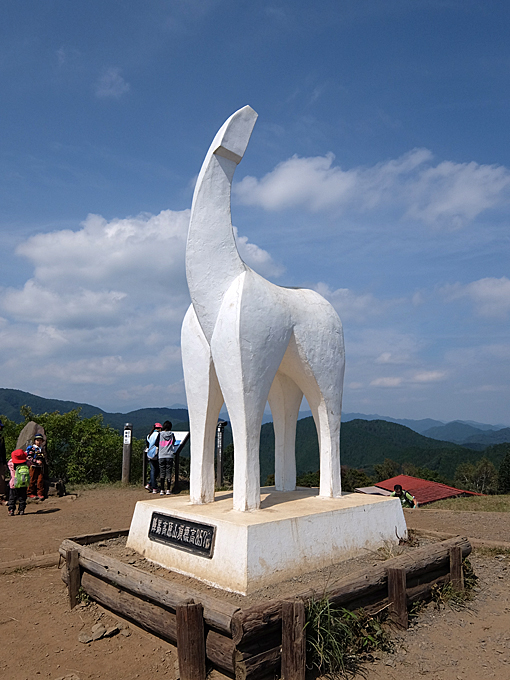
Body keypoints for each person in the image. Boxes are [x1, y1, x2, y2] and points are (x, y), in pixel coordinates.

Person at [7, 448, 30, 516]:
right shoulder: (26, 463)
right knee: (22, 497)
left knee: (12, 498)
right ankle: (21, 510)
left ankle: (11, 510)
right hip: (23, 483)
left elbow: (9, 462)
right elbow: (31, 463)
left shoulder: (11, 463)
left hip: (14, 484)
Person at [158, 421, 175, 495]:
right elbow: (173, 442)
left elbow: (156, 443)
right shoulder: (172, 435)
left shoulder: (160, 434)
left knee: (162, 472)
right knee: (168, 472)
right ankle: (168, 489)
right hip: (169, 455)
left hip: (161, 455)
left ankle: (162, 489)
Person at [26, 434, 46, 500]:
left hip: (40, 467)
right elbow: (29, 457)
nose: (39, 442)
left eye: (40, 440)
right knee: (32, 479)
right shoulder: (32, 448)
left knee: (40, 480)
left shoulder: (42, 449)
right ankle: (29, 493)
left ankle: (40, 493)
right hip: (33, 466)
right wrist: (36, 461)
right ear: (34, 441)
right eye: (37, 440)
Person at [145, 423, 162, 493]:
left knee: (153, 470)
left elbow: (148, 445)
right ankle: (154, 487)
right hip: (156, 454)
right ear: (159, 428)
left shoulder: (149, 435)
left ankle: (150, 484)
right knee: (157, 470)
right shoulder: (159, 435)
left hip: (149, 454)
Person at [0, 420, 8, 505]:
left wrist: (5, 463)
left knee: (2, 479)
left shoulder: (1, 438)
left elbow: (3, 451)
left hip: (1, 461)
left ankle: (2, 497)